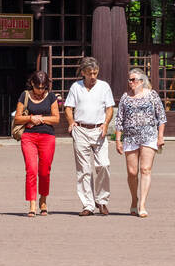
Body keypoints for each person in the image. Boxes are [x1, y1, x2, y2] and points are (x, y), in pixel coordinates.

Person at [63, 57, 116, 216]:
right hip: (81, 130)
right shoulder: (76, 87)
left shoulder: (104, 86)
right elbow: (68, 107)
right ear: (83, 73)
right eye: (89, 73)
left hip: (98, 130)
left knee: (104, 165)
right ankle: (88, 204)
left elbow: (109, 108)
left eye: (95, 73)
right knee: (84, 170)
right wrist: (71, 121)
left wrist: (106, 123)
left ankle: (102, 200)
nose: (93, 76)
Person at [114, 68, 166, 218]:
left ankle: (142, 203)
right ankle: (134, 199)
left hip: (149, 135)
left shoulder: (152, 95)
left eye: (134, 79)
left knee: (145, 169)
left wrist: (160, 136)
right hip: (130, 137)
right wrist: (118, 139)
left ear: (142, 81)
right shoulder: (125, 97)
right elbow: (119, 119)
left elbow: (161, 116)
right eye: (129, 80)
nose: (131, 82)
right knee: (132, 172)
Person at [14, 71, 60, 218]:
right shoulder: (25, 95)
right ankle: (32, 203)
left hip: (47, 136)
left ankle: (43, 199)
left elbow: (56, 119)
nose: (41, 90)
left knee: (44, 171)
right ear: (32, 84)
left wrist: (41, 119)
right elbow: (17, 118)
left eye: (44, 87)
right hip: (29, 137)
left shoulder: (51, 96)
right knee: (31, 170)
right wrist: (30, 118)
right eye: (38, 87)